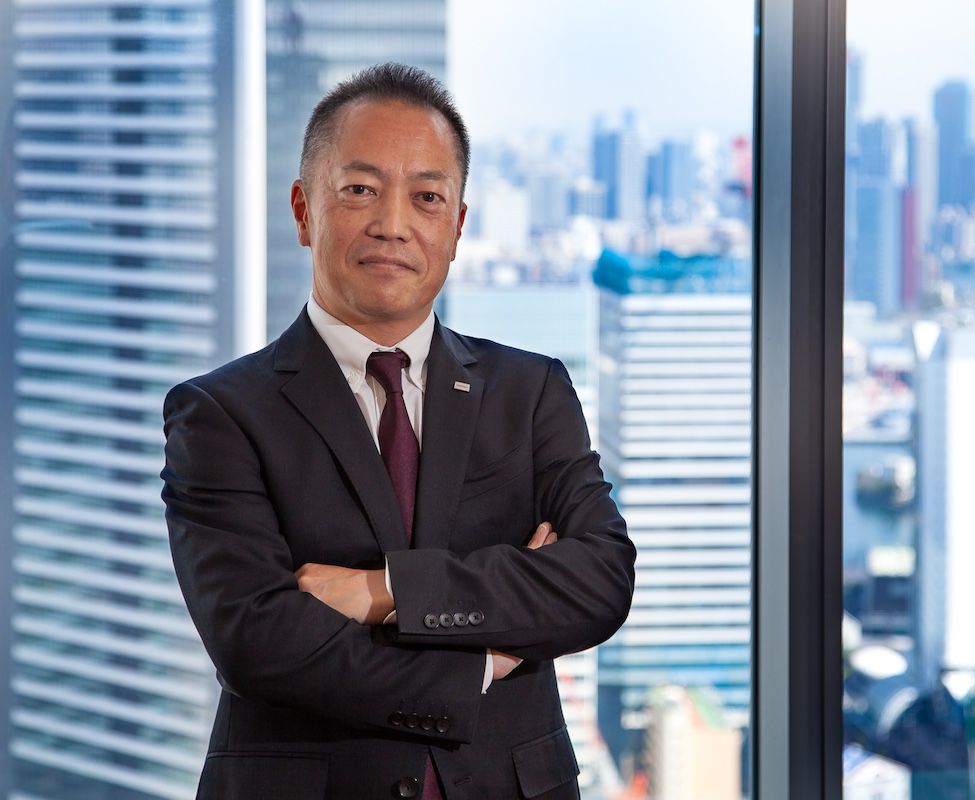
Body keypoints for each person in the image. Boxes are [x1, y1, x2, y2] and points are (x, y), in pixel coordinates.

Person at [161, 63, 635, 799]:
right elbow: (259, 643)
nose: (392, 223)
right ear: (303, 210)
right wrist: (483, 661)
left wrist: (383, 591)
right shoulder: (219, 414)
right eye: (360, 190)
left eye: (427, 197)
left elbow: (599, 580)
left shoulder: (530, 391)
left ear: (457, 227)